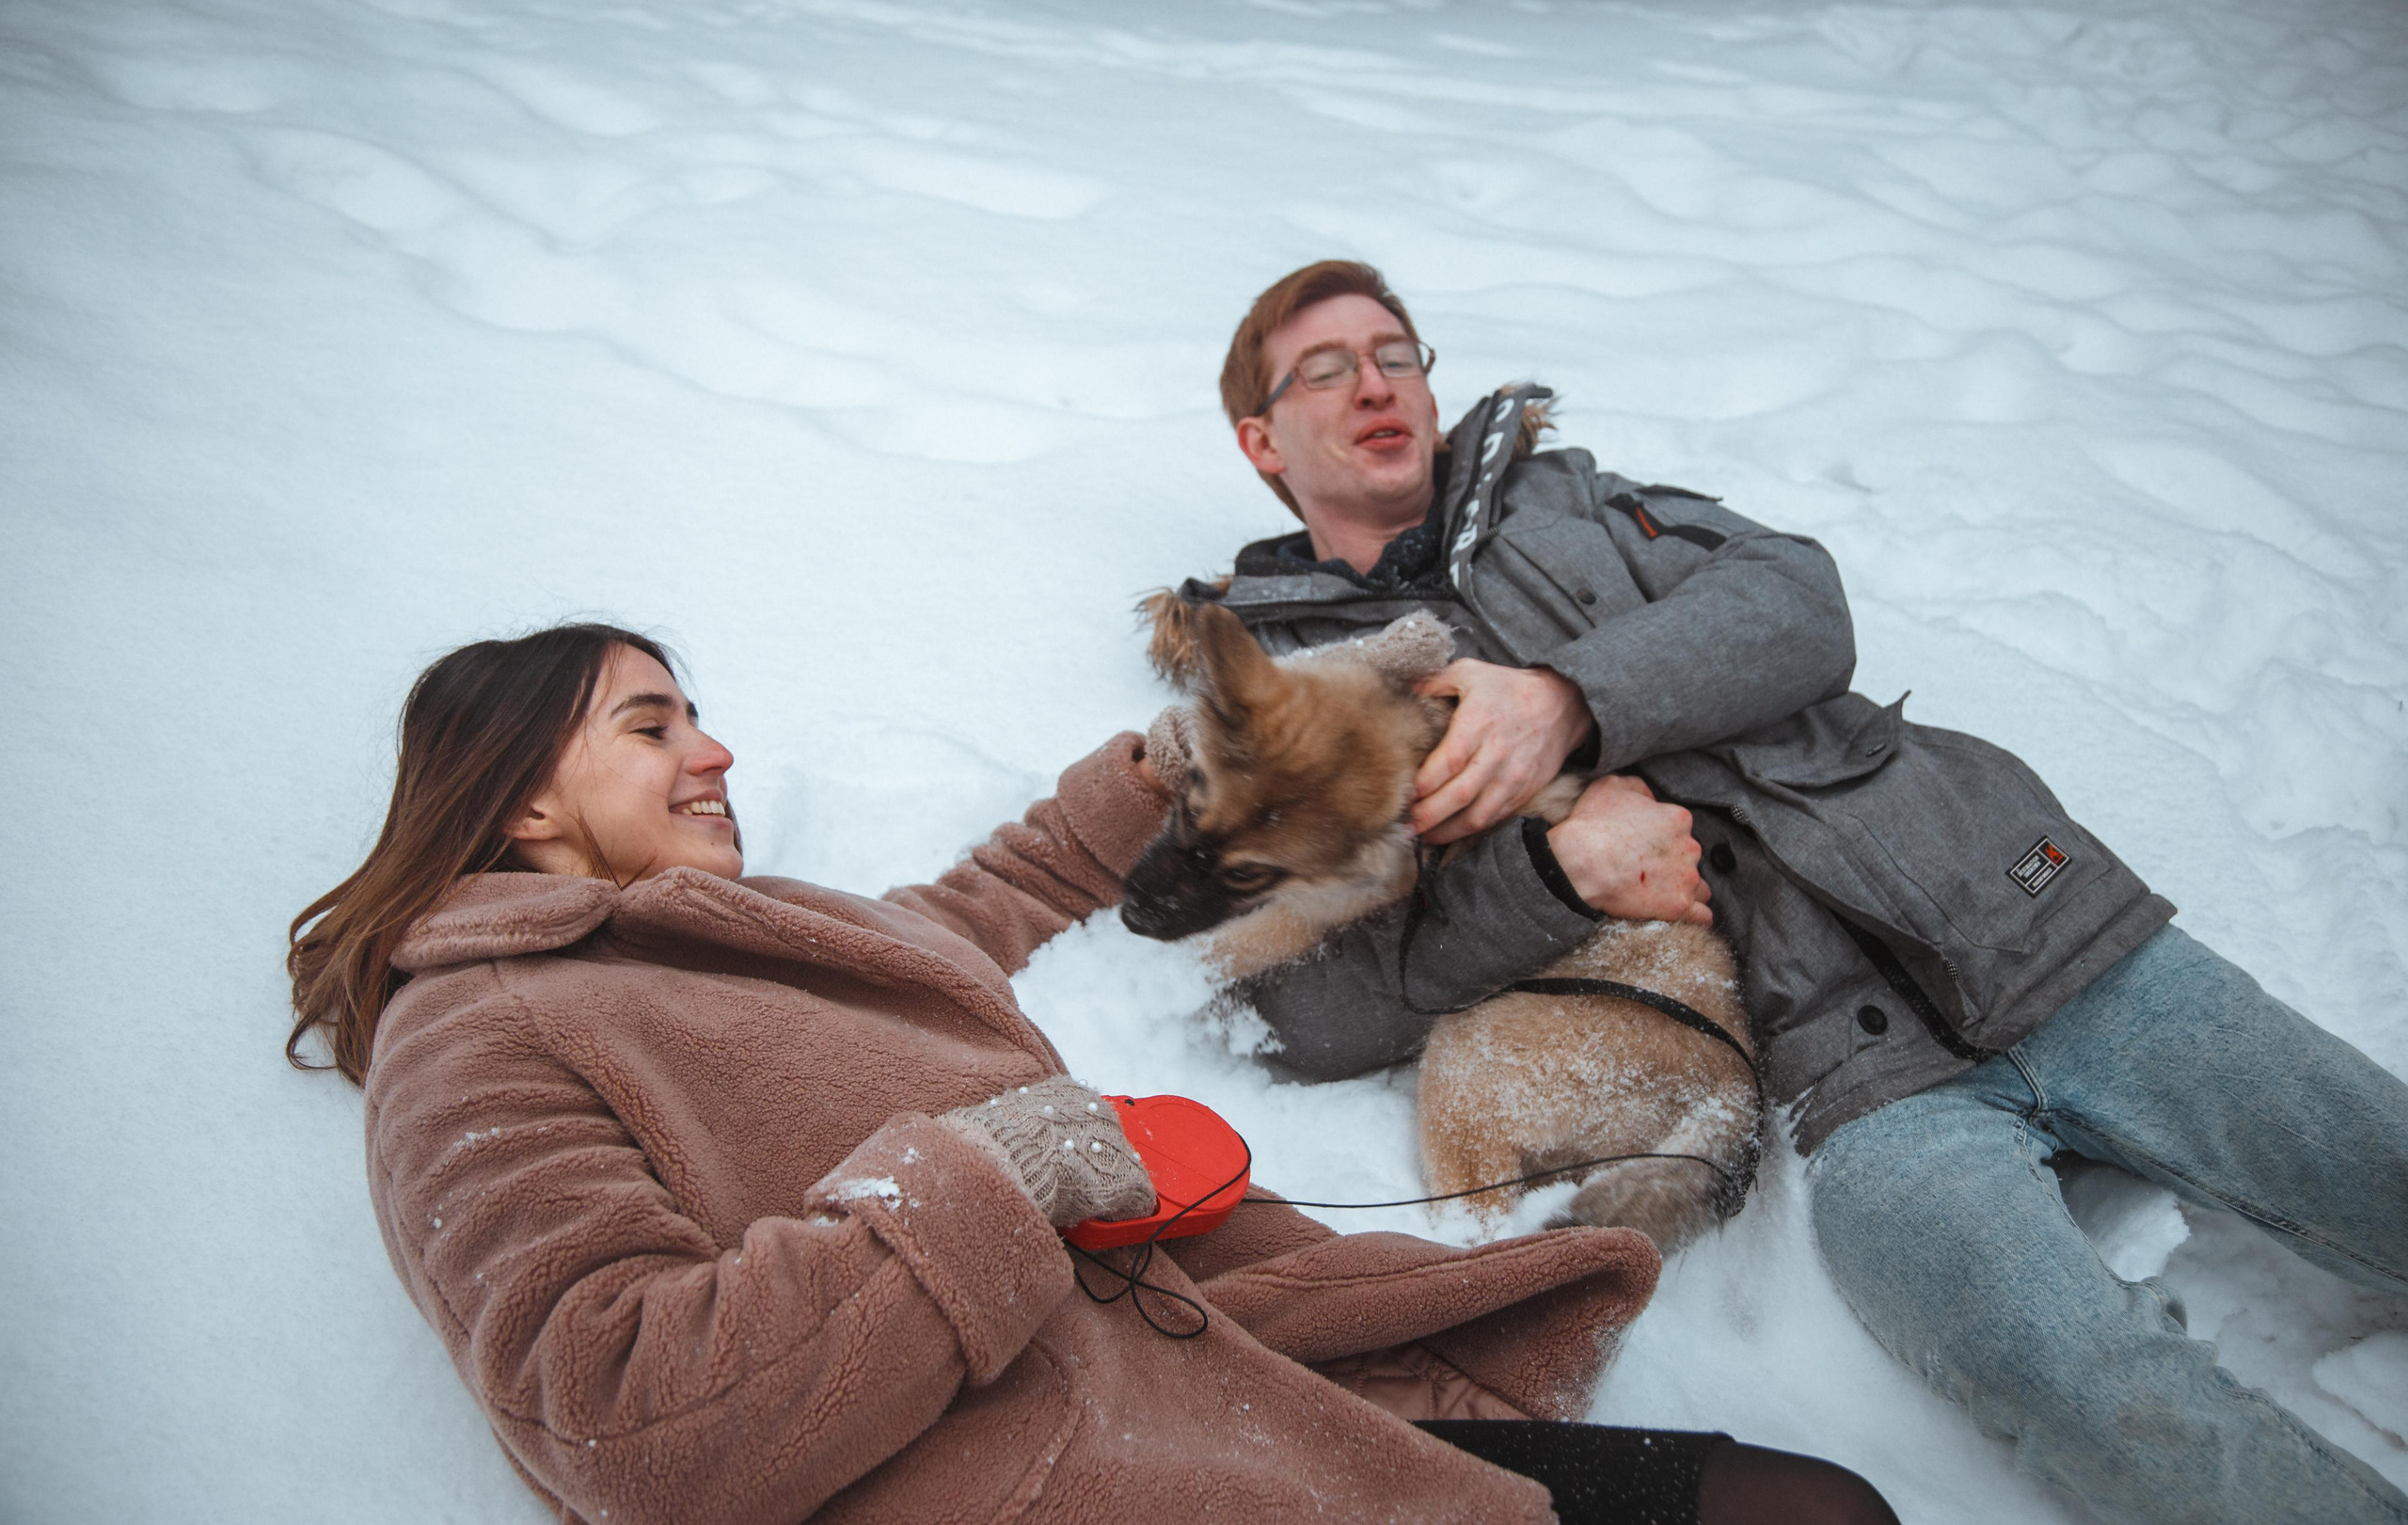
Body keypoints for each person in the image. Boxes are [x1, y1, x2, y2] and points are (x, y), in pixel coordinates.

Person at [1168, 259, 2408, 1525]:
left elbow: (1799, 604)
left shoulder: (1576, 502)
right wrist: (1554, 869)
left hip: (2026, 920)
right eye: (1326, 368)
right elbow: (1311, 1010)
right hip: (1851, 1094)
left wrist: (1569, 705)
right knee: (2081, 1381)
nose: (1376, 385)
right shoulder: (1287, 688)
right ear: (1261, 436)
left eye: (1397, 353)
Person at [286, 622, 1895, 1525]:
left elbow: (1005, 890)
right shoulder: (471, 1039)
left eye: (703, 714)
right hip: (1083, 1487)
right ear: (516, 807)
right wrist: (1001, 1172)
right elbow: (622, 1421)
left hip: (1272, 1389)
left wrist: (1188, 758)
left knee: (1815, 1515)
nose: (714, 751)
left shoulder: (784, 939)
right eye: (652, 727)